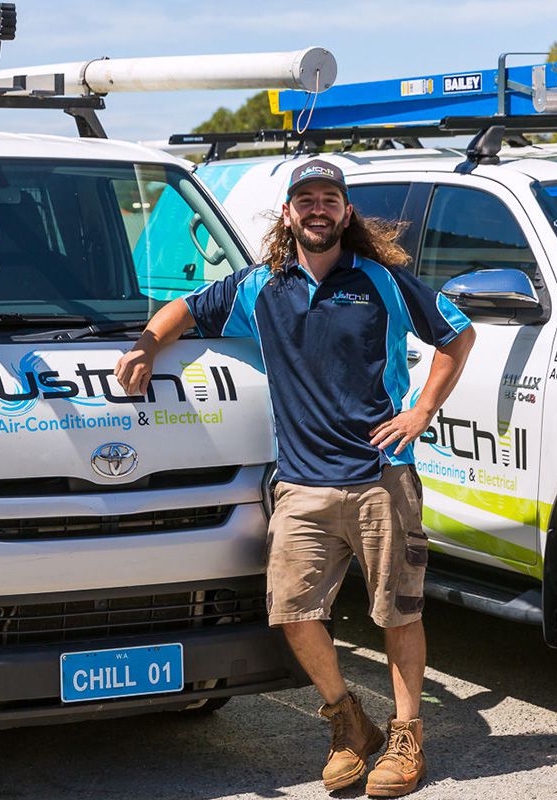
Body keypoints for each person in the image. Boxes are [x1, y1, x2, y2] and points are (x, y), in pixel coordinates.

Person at [115, 159, 475, 797]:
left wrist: (421, 412)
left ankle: (406, 736)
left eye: (329, 199)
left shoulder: (383, 281)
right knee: (292, 612)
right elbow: (184, 310)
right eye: (304, 199)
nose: (317, 209)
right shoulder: (261, 288)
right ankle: (347, 723)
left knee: (397, 611)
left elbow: (457, 335)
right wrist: (146, 344)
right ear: (288, 213)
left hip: (380, 476)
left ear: (345, 213)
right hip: (302, 485)